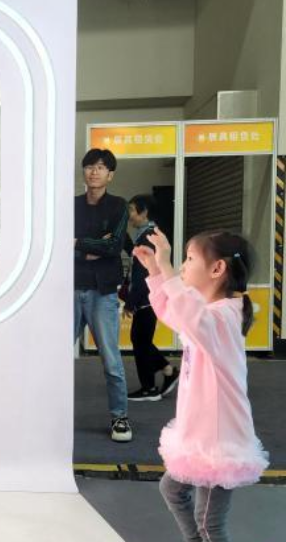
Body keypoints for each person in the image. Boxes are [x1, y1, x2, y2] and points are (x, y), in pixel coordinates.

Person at [134, 229, 269, 541]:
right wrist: (155, 271)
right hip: (200, 434)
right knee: (172, 490)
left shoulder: (223, 318)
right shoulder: (208, 316)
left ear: (217, 268)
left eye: (189, 259)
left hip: (218, 441)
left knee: (209, 524)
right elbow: (174, 312)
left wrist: (165, 266)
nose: (183, 266)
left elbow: (187, 312)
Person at [74, 148, 132, 442]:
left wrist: (77, 243)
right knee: (54, 357)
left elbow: (114, 246)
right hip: (70, 289)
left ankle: (120, 416)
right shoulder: (71, 205)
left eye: (100, 167)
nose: (94, 172)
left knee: (110, 359)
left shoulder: (118, 206)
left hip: (103, 291)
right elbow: (57, 244)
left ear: (110, 175)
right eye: (89, 166)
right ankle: (46, 414)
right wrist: (93, 247)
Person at [123, 195, 179, 401]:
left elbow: (141, 273)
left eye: (131, 210)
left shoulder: (148, 236)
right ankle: (167, 371)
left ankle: (149, 388)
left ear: (144, 211)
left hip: (147, 297)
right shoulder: (147, 234)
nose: (129, 215)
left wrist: (131, 301)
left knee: (140, 340)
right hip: (149, 296)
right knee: (141, 339)